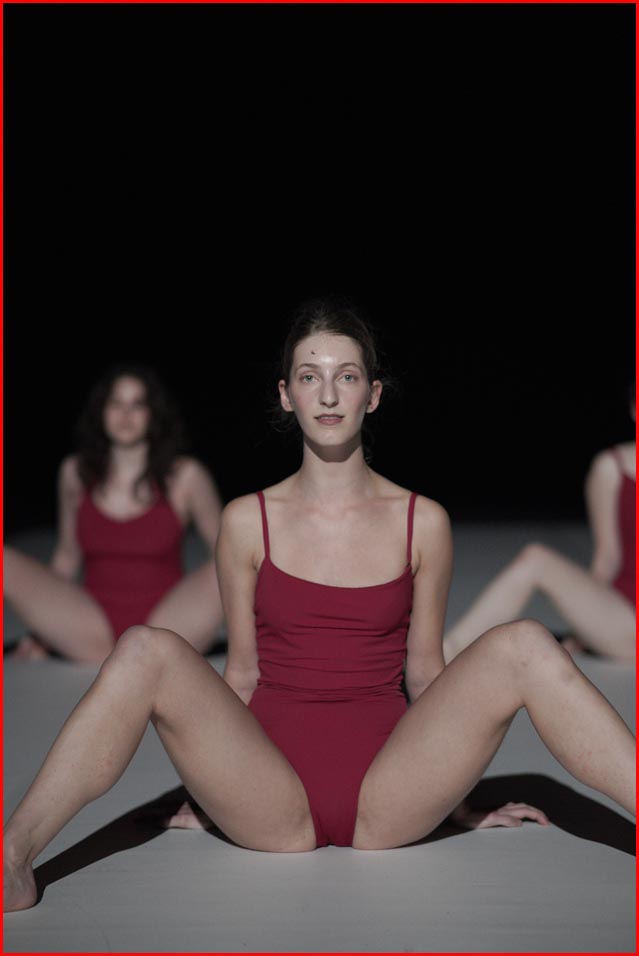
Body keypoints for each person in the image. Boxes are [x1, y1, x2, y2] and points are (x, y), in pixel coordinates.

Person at [4, 299, 635, 912]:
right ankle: (13, 856)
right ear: (287, 395)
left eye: (347, 377)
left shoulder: (423, 521)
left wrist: (457, 801)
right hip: (271, 795)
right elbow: (242, 673)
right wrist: (211, 787)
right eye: (310, 377)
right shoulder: (246, 521)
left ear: (373, 395)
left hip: (390, 792)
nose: (328, 395)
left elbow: (425, 673)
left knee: (525, 643)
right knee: (144, 647)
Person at [4, 363, 224, 662]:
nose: (125, 414)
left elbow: (226, 556)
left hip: (169, 625)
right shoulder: (75, 473)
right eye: (116, 403)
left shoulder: (186, 476)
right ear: (101, 412)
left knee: (236, 553)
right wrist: (43, 631)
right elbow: (67, 556)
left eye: (137, 404)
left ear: (153, 414)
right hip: (92, 629)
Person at [443, 383, 636, 663]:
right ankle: (445, 653)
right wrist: (587, 624)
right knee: (536, 558)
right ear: (634, 410)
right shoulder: (610, 468)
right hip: (624, 619)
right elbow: (608, 557)